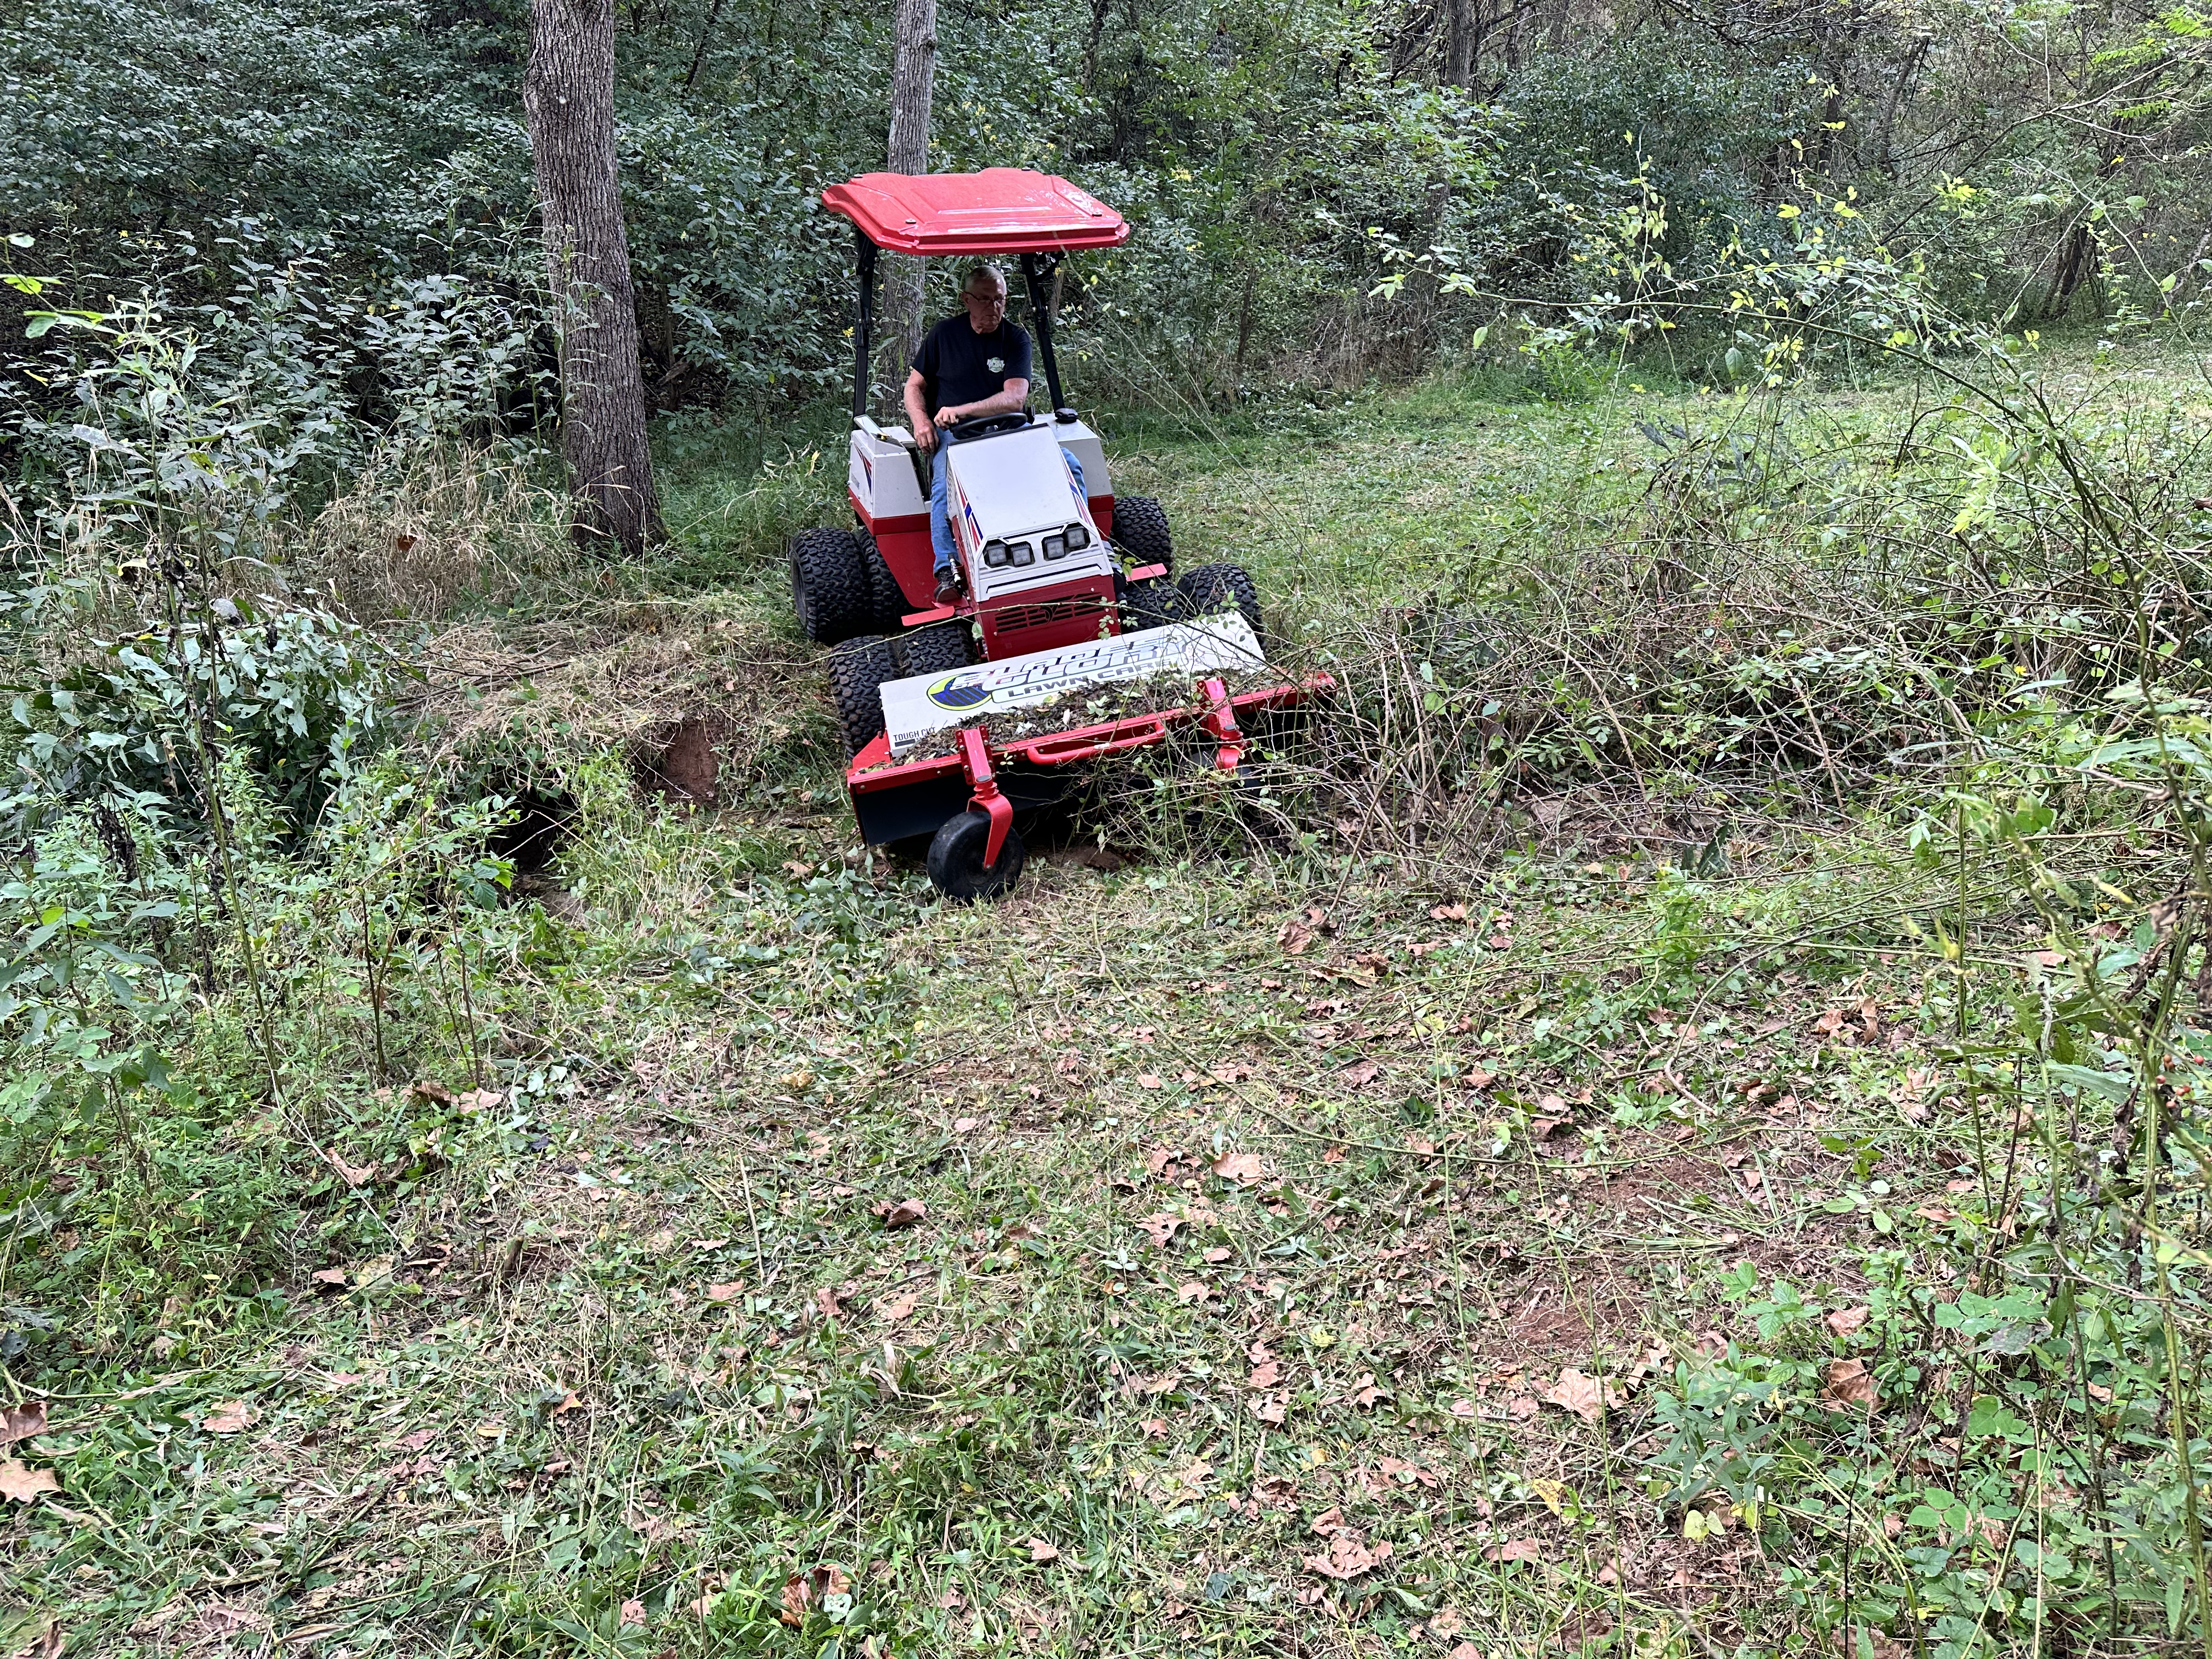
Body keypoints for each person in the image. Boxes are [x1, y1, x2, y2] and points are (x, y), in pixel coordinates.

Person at [905, 264, 1081, 606]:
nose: (994, 308)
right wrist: (922, 421)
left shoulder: (1015, 338)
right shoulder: (943, 335)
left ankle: (1087, 542)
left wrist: (964, 409)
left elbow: (1015, 398)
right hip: (956, 436)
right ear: (966, 300)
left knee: (1070, 465)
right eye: (985, 300)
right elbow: (915, 385)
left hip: (1010, 429)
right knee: (945, 486)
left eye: (1000, 300)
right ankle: (947, 568)